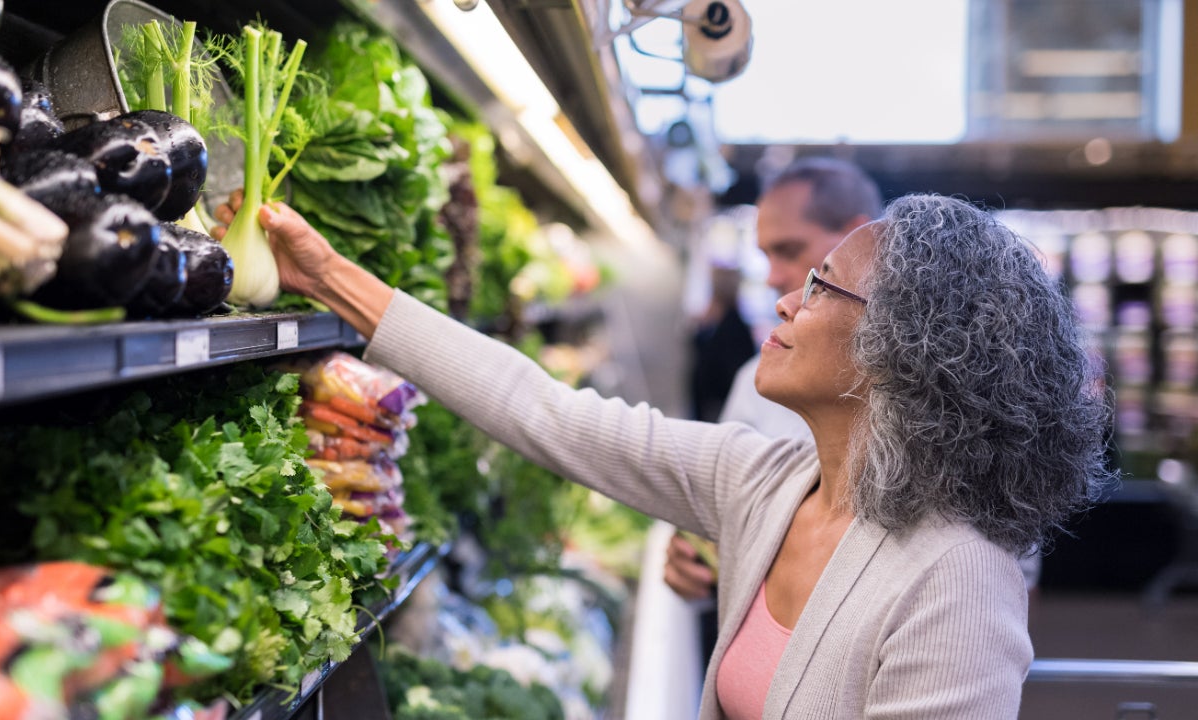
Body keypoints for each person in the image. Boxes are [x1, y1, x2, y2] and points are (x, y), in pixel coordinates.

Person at [214, 191, 1114, 718]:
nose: (784, 304)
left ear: (903, 348)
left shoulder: (957, 578)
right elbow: (546, 413)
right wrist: (327, 274)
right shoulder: (767, 482)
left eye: (818, 284)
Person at [667, 157, 882, 603]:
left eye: (788, 250)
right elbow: (715, 508)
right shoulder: (756, 378)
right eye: (765, 254)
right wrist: (694, 553)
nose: (772, 280)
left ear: (859, 240)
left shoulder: (937, 399)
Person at [689, 264, 757, 423]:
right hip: (708, 404)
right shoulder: (715, 319)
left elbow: (730, 369)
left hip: (719, 406)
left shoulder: (734, 325)